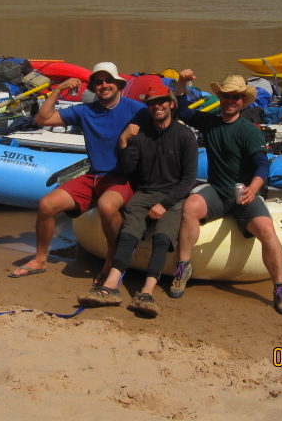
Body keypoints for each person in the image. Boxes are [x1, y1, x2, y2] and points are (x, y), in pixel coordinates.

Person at [8, 62, 147, 281]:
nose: (104, 85)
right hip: (93, 176)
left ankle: (112, 259)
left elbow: (165, 122)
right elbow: (42, 119)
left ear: (118, 84)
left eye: (108, 80)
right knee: (46, 205)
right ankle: (40, 259)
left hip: (122, 177)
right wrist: (57, 89)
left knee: (107, 205)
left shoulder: (135, 109)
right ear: (93, 86)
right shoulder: (85, 111)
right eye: (99, 82)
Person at [172, 71, 282, 315]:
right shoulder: (211, 122)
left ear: (243, 101)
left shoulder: (249, 131)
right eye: (226, 96)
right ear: (220, 98)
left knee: (268, 231)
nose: (231, 100)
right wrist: (183, 83)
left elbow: (262, 164)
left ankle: (280, 288)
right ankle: (183, 267)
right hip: (218, 191)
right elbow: (183, 111)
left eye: (236, 97)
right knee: (190, 207)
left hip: (244, 195)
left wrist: (254, 189)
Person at [76, 84, 199, 317]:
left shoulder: (185, 136)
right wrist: (122, 142)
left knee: (162, 238)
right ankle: (110, 287)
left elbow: (188, 179)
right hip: (144, 193)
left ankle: (146, 293)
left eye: (162, 101)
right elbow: (127, 169)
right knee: (129, 233)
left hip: (174, 196)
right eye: (152, 103)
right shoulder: (140, 135)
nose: (157, 106)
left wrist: (165, 204)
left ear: (171, 104)